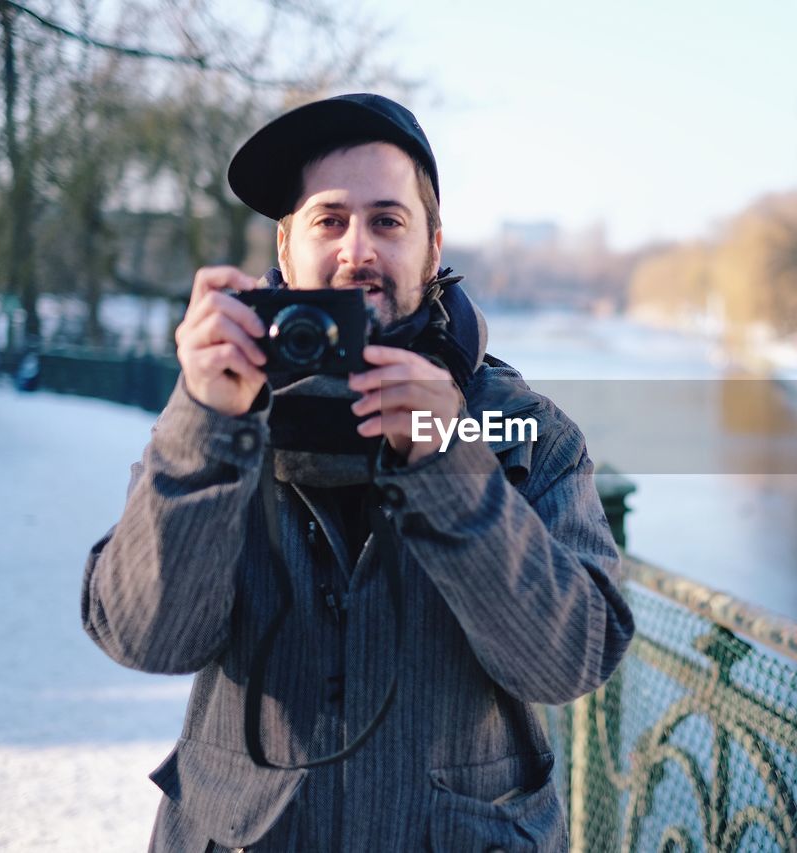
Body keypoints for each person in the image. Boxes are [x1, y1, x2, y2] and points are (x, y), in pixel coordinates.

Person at [81, 93, 634, 851]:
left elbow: (569, 659)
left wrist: (448, 461)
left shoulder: (527, 430)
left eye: (387, 221)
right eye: (329, 220)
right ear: (286, 249)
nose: (357, 251)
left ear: (432, 247)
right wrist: (206, 422)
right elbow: (148, 637)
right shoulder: (227, 408)